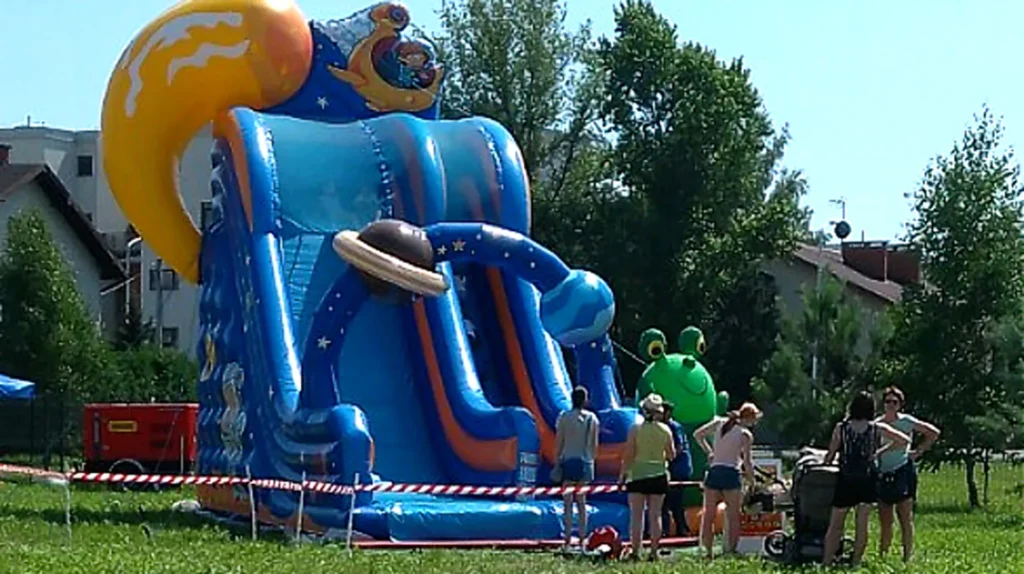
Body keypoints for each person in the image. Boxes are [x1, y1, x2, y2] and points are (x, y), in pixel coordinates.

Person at [822, 391, 911, 567]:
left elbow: (830, 454)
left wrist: (825, 462)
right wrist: (879, 452)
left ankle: (827, 561)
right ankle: (856, 562)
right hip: (868, 478)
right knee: (861, 524)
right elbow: (904, 440)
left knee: (836, 523)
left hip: (846, 478)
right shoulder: (876, 428)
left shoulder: (842, 428)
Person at [876, 386, 941, 563]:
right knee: (885, 520)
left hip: (903, 470)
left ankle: (907, 556)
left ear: (900, 404)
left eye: (894, 402)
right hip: (883, 472)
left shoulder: (907, 421)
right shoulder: (878, 423)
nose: (891, 405)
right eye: (887, 401)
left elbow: (933, 433)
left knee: (905, 516)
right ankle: (883, 556)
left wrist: (918, 452)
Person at [693, 401, 762, 559]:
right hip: (731, 473)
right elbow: (747, 462)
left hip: (715, 471)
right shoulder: (745, 435)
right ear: (750, 418)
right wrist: (752, 481)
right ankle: (730, 550)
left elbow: (698, 435)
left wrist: (710, 452)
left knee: (708, 514)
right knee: (733, 516)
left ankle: (707, 551)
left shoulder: (719, 423)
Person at [620, 393, 675, 561]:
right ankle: (653, 552)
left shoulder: (635, 429)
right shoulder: (665, 430)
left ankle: (636, 552)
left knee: (637, 516)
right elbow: (671, 455)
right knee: (655, 514)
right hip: (658, 474)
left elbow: (629, 455)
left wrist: (622, 475)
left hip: (637, 474)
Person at [553, 386, 600, 548]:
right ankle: (582, 537)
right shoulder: (592, 418)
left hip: (568, 460)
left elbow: (559, 442)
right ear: (585, 400)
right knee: (581, 502)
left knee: (567, 503)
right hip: (585, 462)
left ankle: (567, 537)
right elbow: (594, 444)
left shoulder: (564, 417)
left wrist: (557, 462)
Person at [660, 402, 693, 537]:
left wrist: (666, 459)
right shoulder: (667, 427)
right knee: (668, 501)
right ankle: (675, 529)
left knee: (674, 501)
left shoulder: (673, 427)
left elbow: (678, 448)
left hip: (678, 469)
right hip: (674, 468)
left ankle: (680, 529)